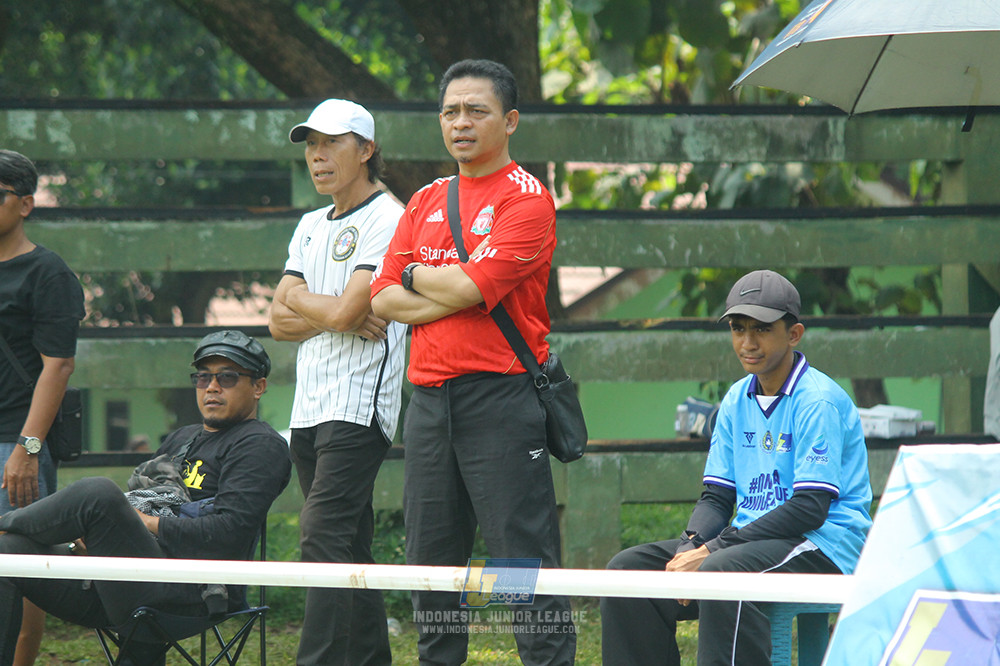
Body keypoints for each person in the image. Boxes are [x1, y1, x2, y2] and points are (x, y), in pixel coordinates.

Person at [371, 59, 576, 665]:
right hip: (429, 405)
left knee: (520, 558)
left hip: (503, 401)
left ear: (509, 121)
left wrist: (418, 277)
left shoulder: (528, 200)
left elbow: (463, 290)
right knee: (430, 561)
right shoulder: (427, 199)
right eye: (451, 111)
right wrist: (438, 283)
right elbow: (381, 298)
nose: (461, 122)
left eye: (477, 110)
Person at [600, 270, 873, 666]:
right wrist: (691, 544)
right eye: (738, 329)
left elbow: (810, 507)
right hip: (752, 539)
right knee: (628, 572)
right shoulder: (735, 398)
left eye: (761, 329)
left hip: (825, 543)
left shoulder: (817, 400)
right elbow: (717, 495)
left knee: (722, 570)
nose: (747, 343)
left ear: (794, 334)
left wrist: (712, 550)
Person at [0, 330, 292, 665]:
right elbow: (144, 497)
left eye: (227, 376)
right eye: (203, 377)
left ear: (258, 386)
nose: (212, 387)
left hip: (191, 592)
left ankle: (3, 521)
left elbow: (228, 534)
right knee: (7, 554)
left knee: (99, 493)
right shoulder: (183, 437)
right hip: (122, 580)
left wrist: (142, 523)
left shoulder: (259, 445)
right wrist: (98, 538)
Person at [268, 98, 405, 666]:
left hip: (359, 406)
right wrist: (323, 306)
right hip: (308, 407)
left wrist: (301, 300)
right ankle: (373, 657)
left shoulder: (389, 216)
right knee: (349, 544)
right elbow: (278, 324)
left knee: (320, 535)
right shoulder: (307, 225)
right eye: (310, 144)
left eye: (332, 143)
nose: (317, 156)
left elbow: (348, 313)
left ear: (366, 149)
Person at [0, 150, 85, 665]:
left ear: (26, 204)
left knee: (18, 574)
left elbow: (58, 367)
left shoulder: (46, 272)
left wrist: (27, 449)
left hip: (14, 441)